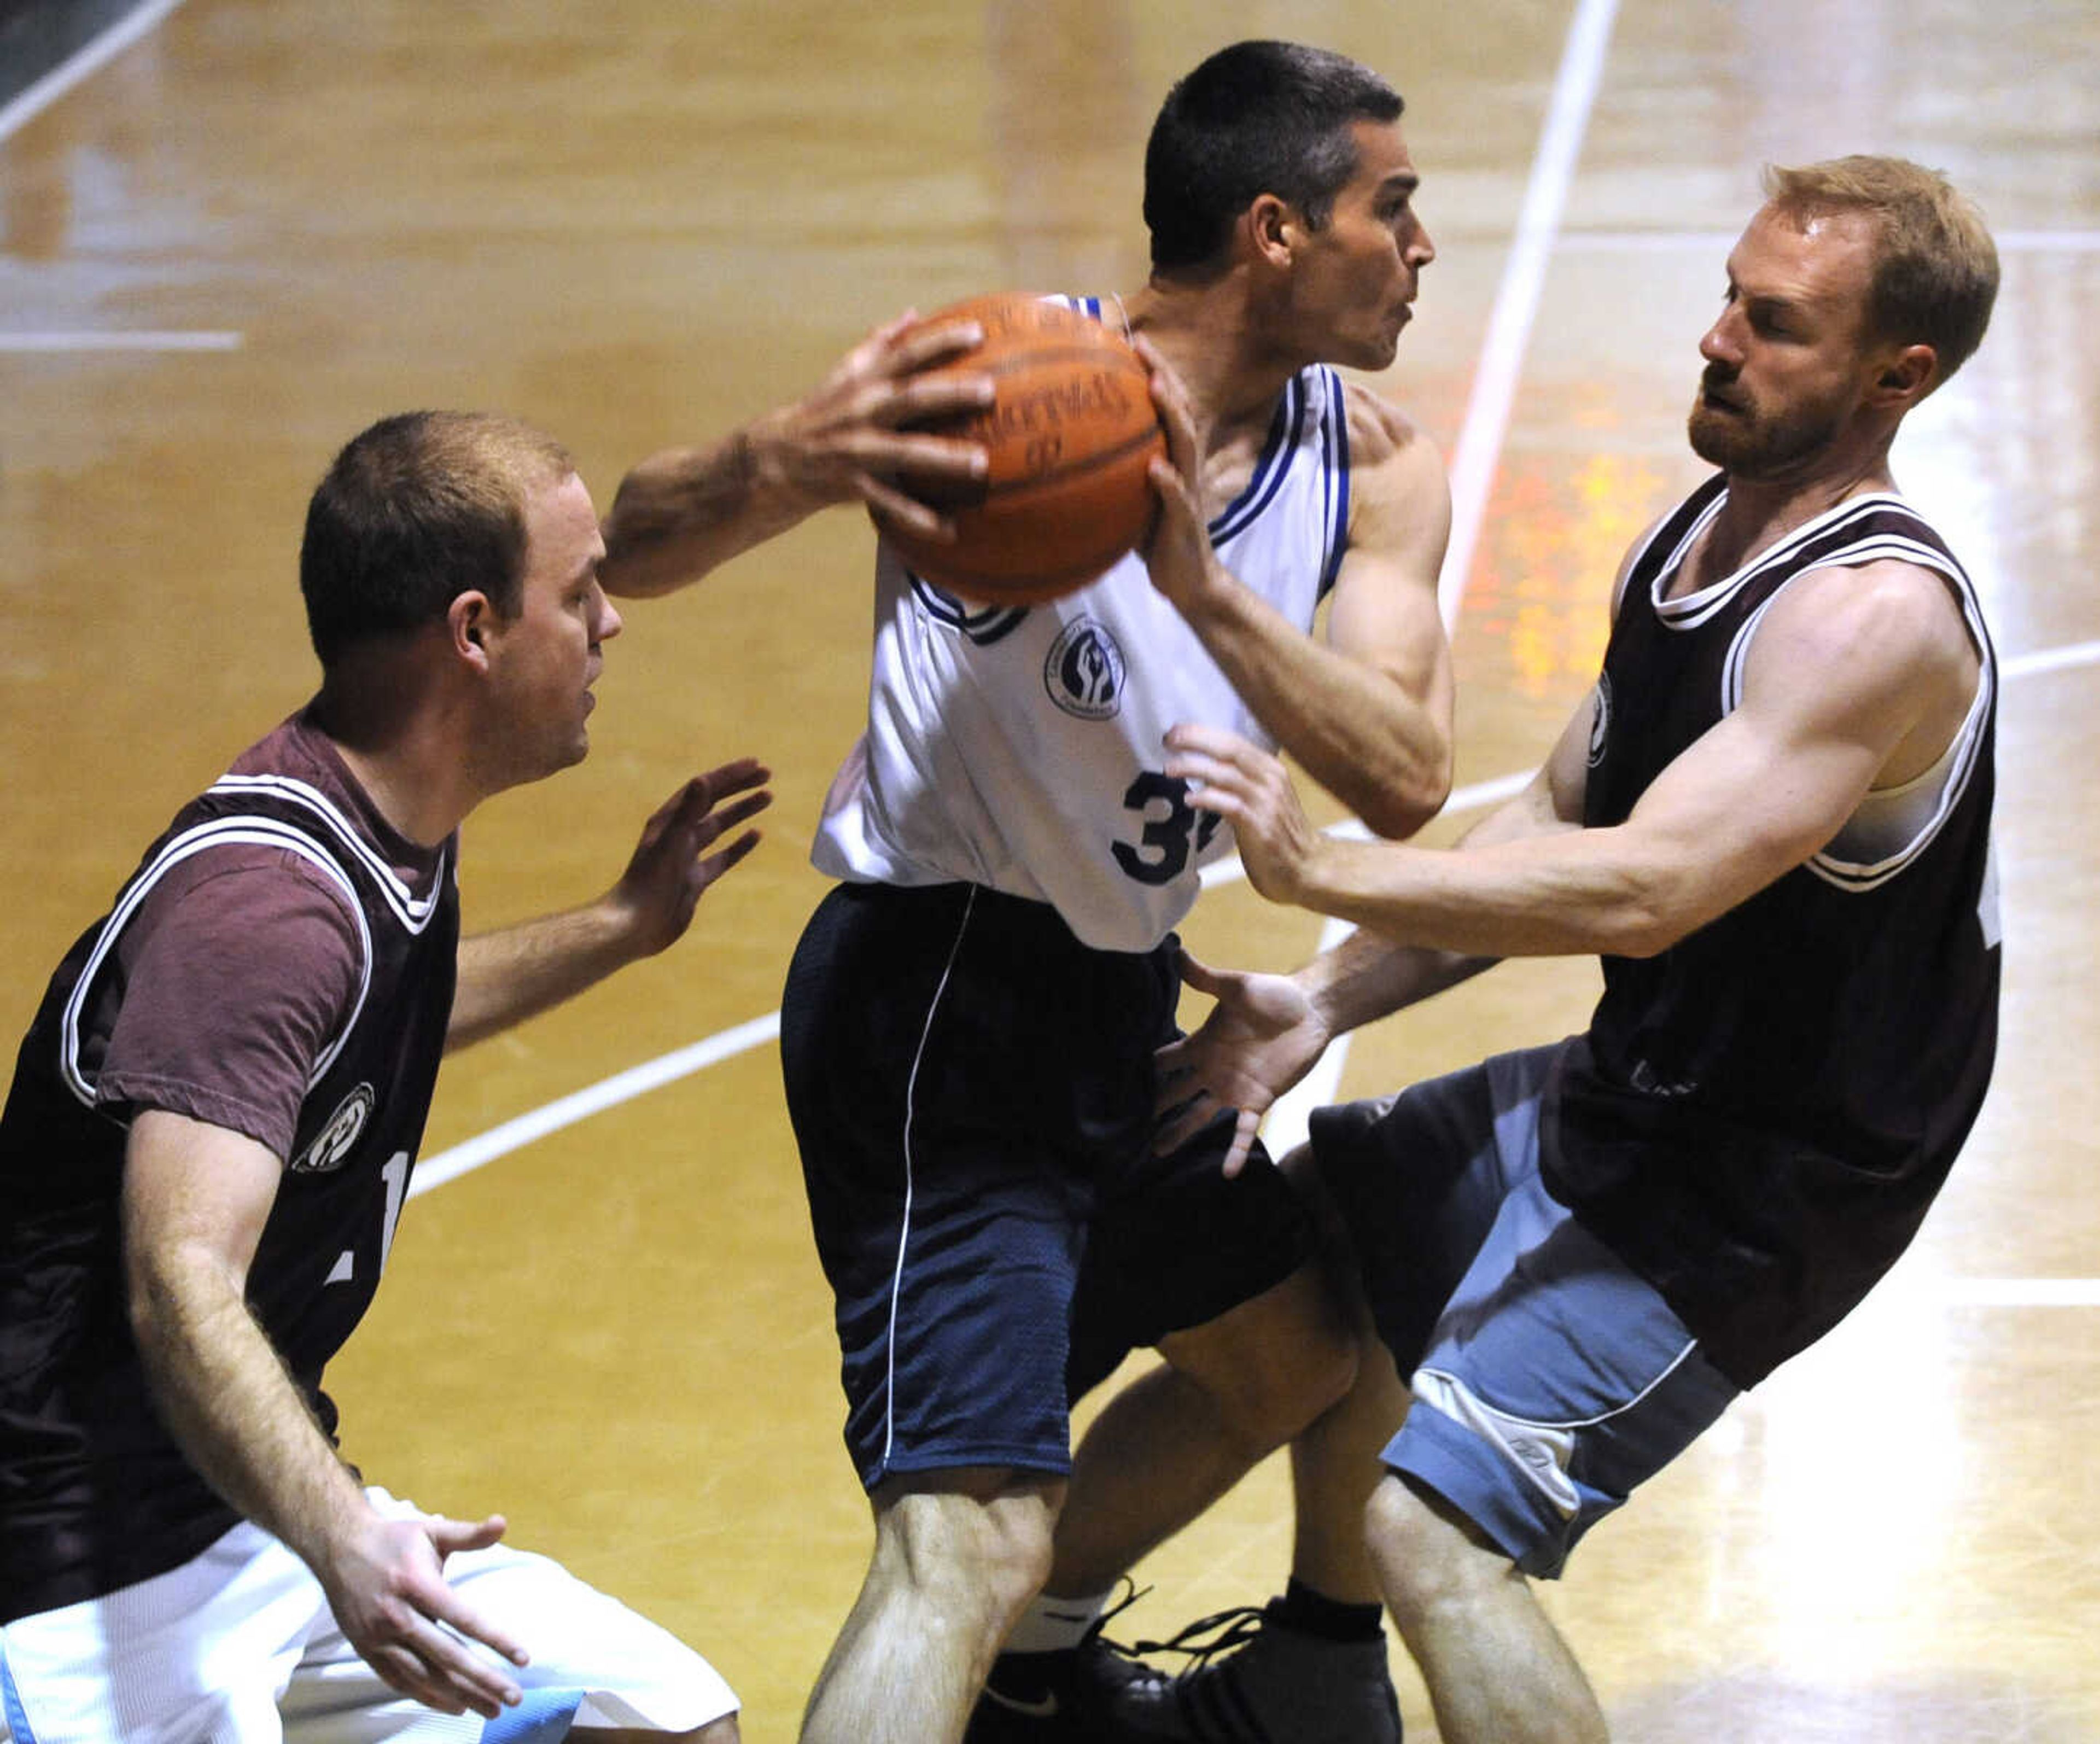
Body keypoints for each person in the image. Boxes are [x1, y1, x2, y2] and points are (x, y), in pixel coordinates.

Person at [602, 38, 1454, 1744]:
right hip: (938, 1001)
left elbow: (1407, 776)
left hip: (1125, 1001)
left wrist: (1207, 598)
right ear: (1275, 229)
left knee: (1299, 1355)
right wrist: (792, 451)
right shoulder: (991, 392)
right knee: (962, 1528)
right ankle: (998, 1630)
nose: (1423, 251)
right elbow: (631, 549)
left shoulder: (1371, 461)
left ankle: (1033, 1673)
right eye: (1396, 210)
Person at [1151, 155, 2002, 1744]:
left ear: (1900, 375)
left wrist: (1317, 862)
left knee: (1438, 1533)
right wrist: (1318, 1002)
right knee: (1318, 1249)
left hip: (1778, 1175)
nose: (1716, 341)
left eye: (1773, 323)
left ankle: (1340, 1625)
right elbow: (1560, 808)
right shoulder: (1699, 534)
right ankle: (1297, 1676)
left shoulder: (1873, 616)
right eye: (1728, 297)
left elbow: (1643, 890)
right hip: (1649, 1091)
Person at [0, 380, 974, 1742]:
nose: (610, 620)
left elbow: (372, 1016)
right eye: (579, 593)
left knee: (667, 1724)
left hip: (234, 1521)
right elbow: (181, 1282)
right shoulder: (263, 915)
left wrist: (623, 928)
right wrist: (344, 1534)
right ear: (474, 631)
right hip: (75, 1572)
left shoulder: (384, 829)